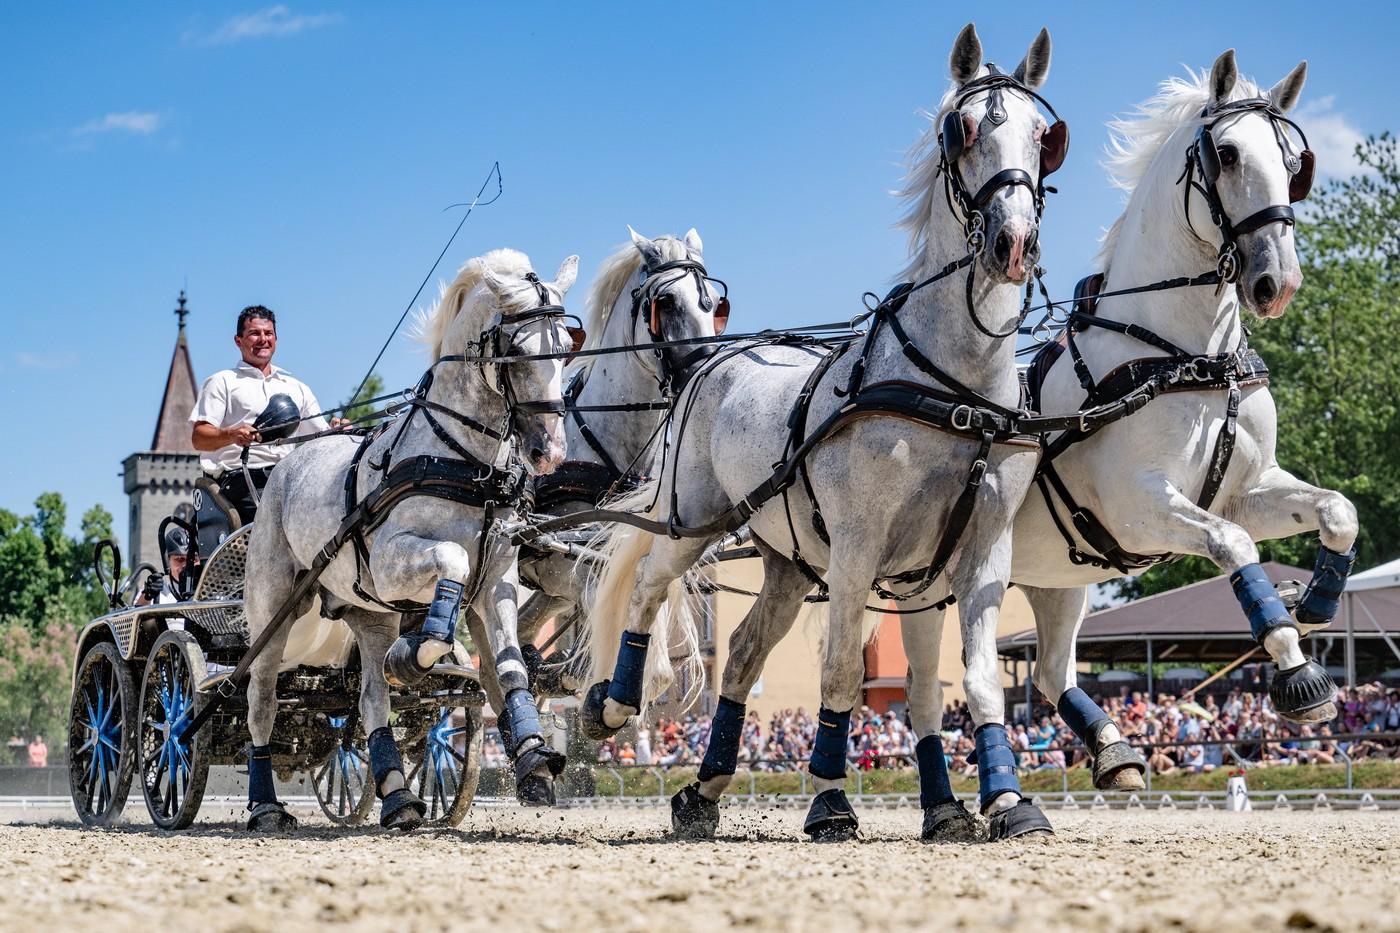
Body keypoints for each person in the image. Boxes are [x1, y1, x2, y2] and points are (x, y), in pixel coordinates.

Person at [190, 305, 342, 525]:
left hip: (291, 481)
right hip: (242, 483)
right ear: (238, 341)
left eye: (268, 333)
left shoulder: (296, 387)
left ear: (276, 340)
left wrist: (339, 429)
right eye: (254, 333)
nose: (263, 339)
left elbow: (322, 435)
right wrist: (232, 435)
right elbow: (199, 438)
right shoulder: (222, 381)